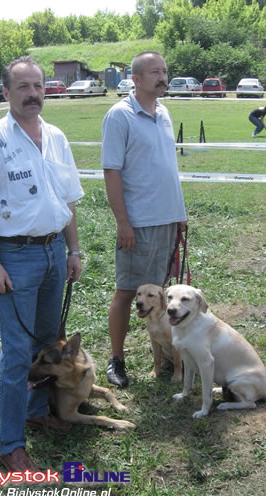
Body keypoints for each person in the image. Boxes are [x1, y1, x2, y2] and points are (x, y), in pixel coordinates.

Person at [0, 56, 84, 472]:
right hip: (14, 256)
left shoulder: (57, 136)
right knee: (15, 354)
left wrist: (74, 250)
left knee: (47, 340)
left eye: (39, 86)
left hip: (53, 251)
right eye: (24, 87)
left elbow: (67, 199)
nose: (33, 94)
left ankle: (34, 409)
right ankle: (10, 445)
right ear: (6, 92)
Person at [101, 51, 187, 388]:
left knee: (159, 293)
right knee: (127, 292)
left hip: (167, 221)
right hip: (138, 224)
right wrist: (123, 222)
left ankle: (167, 353)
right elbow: (112, 172)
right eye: (155, 72)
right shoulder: (119, 116)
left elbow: (169, 169)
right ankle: (117, 360)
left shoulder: (163, 113)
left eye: (165, 71)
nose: (163, 77)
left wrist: (179, 215)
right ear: (135, 79)